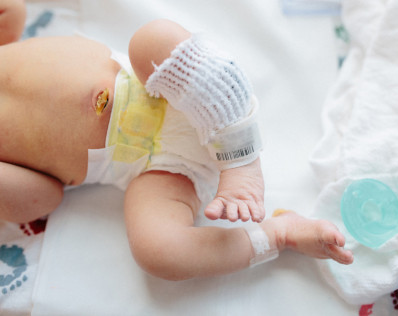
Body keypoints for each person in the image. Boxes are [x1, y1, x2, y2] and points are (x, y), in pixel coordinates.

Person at [0, 0, 353, 280]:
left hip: (174, 87)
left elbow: (12, 10)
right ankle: (278, 235)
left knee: (153, 37)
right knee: (158, 253)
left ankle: (239, 153)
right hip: (154, 169)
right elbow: (41, 198)